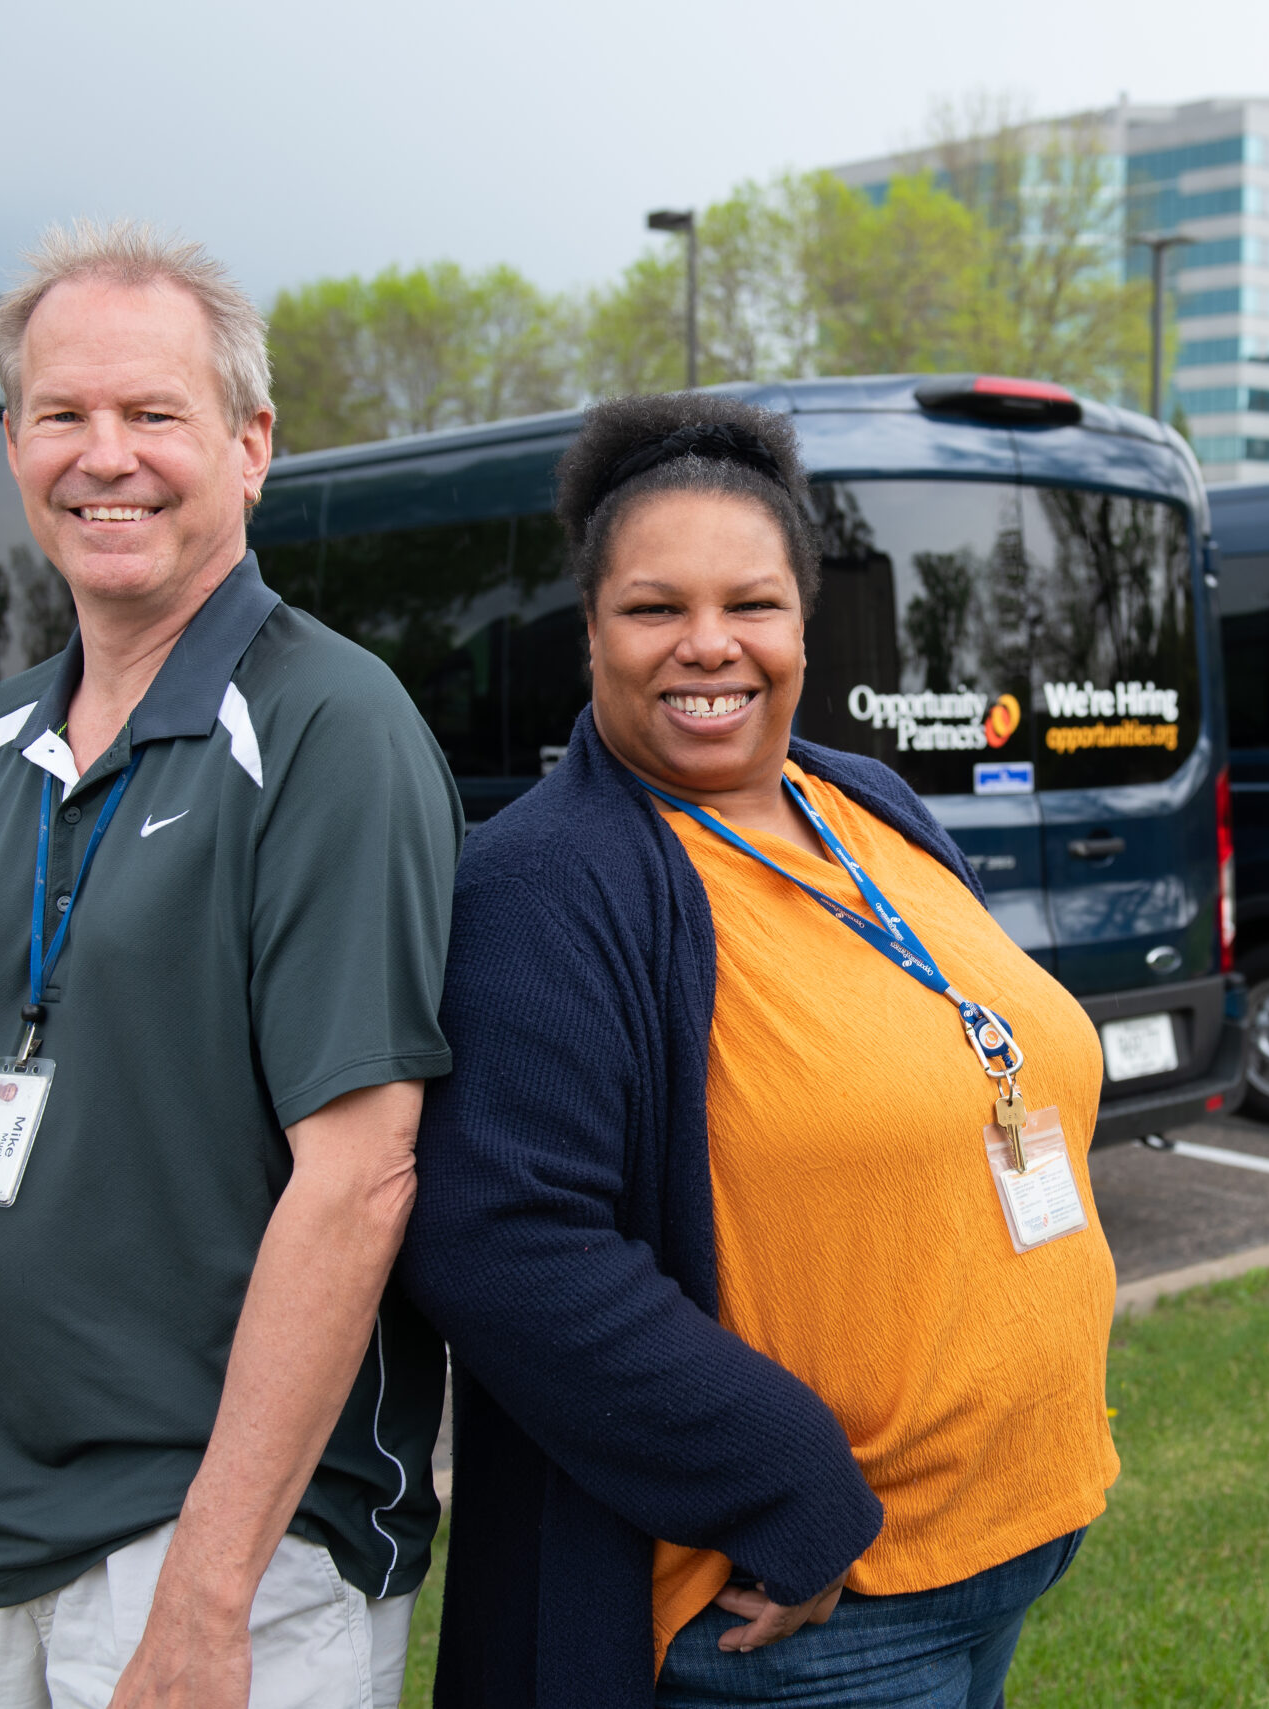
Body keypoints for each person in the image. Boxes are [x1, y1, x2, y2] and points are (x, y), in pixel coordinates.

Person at [0, 220, 462, 1709]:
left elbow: (362, 1174)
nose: (105, 455)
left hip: (223, 1553)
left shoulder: (326, 728)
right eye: (65, 415)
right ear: (16, 444)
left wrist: (208, 1591)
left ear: (249, 444)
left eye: (154, 414)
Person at [401, 393, 1119, 1708]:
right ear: (592, 632)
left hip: (1003, 1542)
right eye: (655, 606)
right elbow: (502, 1241)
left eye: (754, 603)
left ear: (805, 619)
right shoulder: (543, 885)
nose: (710, 645)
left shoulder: (864, 803)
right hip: (806, 1609)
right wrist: (793, 1491)